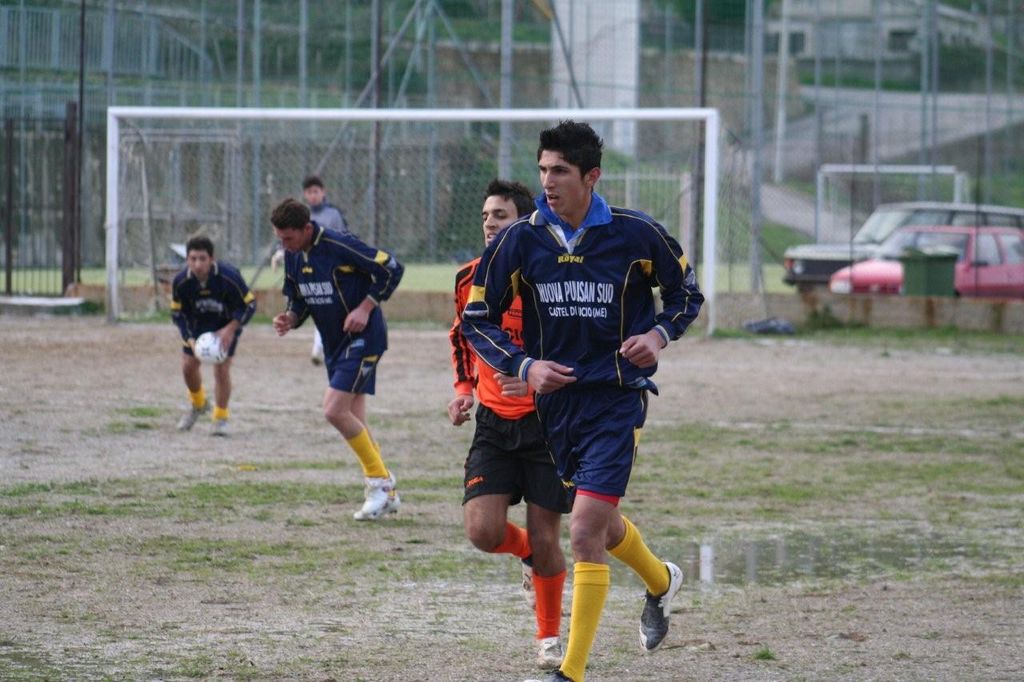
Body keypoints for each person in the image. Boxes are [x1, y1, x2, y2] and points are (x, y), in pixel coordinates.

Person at [462, 121, 705, 682]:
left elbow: (686, 293)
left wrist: (659, 334)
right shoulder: (520, 241)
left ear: (591, 176)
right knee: (601, 524)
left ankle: (569, 671)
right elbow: (476, 318)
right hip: (556, 409)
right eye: (543, 170)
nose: (547, 181)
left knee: (582, 529)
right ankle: (662, 581)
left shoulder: (635, 234)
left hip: (617, 399)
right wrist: (524, 365)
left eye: (560, 171)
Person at [448, 179, 570, 671]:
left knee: (547, 538)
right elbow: (463, 337)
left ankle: (549, 637)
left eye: (500, 215)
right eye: (485, 216)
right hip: (494, 423)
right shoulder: (468, 278)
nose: (489, 223)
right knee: (482, 531)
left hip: (547, 425)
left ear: (523, 223)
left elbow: (576, 344)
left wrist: (536, 381)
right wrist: (463, 390)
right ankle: (526, 557)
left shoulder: (549, 277)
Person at [270, 197, 405, 521]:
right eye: (279, 239)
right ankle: (385, 492)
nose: (284, 245)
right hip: (335, 345)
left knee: (333, 410)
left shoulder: (339, 244)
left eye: (288, 238)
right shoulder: (293, 255)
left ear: (306, 229)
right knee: (353, 417)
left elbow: (391, 268)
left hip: (364, 339)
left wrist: (365, 308)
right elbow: (299, 298)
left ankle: (380, 484)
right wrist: (290, 317)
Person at [171, 235, 257, 437]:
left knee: (221, 370)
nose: (197, 264)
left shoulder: (229, 276)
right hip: (197, 326)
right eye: (193, 259)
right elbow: (177, 313)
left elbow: (250, 305)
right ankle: (198, 404)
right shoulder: (181, 282)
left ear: (211, 258)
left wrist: (230, 329)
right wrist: (189, 338)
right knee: (188, 366)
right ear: (187, 259)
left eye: (202, 259)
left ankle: (220, 418)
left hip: (225, 325)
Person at [273, 175, 351, 366]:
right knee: (316, 303)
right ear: (305, 194)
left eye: (316, 191)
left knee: (325, 303)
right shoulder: (300, 215)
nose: (313, 195)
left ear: (323, 192)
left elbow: (344, 240)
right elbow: (288, 240)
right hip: (307, 268)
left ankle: (321, 347)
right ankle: (320, 346)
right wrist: (280, 254)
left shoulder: (333, 214)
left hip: (330, 270)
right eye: (309, 192)